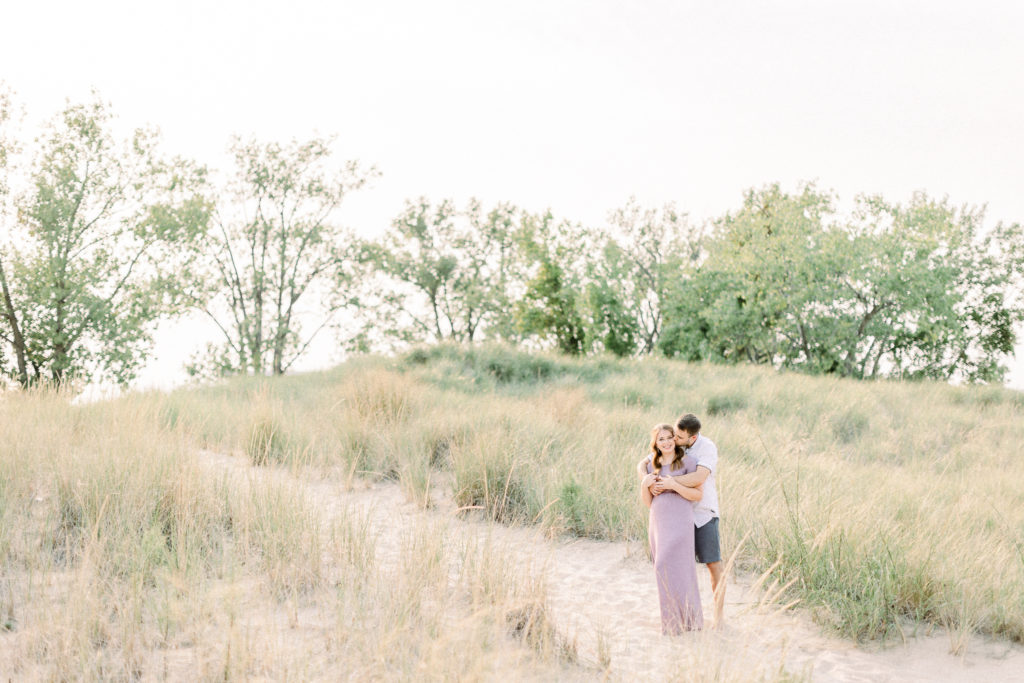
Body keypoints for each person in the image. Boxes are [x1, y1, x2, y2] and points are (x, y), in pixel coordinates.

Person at [637, 413, 724, 625]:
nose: (673, 440)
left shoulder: (705, 449)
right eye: (671, 435)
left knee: (712, 564)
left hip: (702, 513)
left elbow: (698, 479)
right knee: (671, 565)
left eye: (678, 437)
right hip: (673, 517)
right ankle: (675, 615)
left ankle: (718, 617)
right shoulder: (669, 447)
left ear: (691, 438)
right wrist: (646, 480)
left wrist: (669, 482)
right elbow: (644, 463)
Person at [639, 423, 704, 634]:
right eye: (661, 439)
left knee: (683, 569)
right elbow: (649, 502)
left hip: (680, 521)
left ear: (674, 439)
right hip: (658, 521)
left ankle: (691, 621)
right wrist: (645, 484)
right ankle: (672, 623)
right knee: (661, 568)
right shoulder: (651, 466)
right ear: (655, 443)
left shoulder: (687, 462)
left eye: (669, 438)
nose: (666, 442)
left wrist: (673, 485)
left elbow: (697, 495)